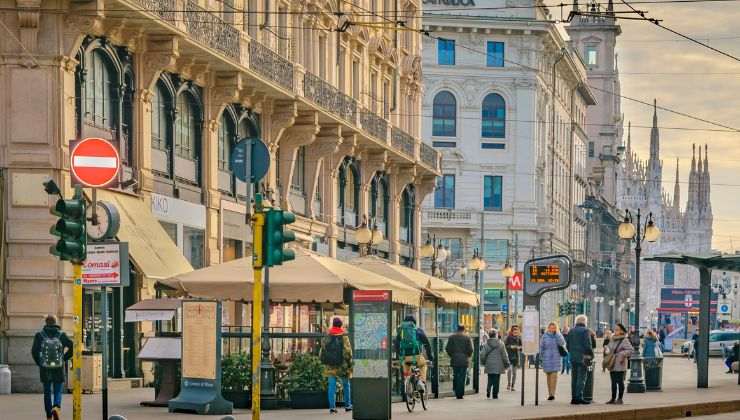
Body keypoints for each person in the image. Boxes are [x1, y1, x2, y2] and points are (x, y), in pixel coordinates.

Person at [31, 315, 73, 420]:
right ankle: (56, 407)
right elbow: (72, 346)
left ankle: (49, 416)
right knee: (58, 390)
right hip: (58, 367)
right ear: (56, 322)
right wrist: (64, 358)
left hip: (45, 368)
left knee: (47, 392)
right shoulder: (62, 335)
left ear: (46, 322)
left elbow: (34, 351)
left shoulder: (39, 335)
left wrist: (40, 363)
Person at [319, 317, 353, 413]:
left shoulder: (327, 335)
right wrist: (349, 362)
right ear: (341, 325)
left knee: (332, 385)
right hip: (342, 365)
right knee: (346, 384)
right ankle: (348, 405)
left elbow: (322, 350)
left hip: (330, 365)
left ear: (333, 324)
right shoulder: (344, 335)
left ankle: (332, 407)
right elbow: (348, 351)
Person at [394, 315, 433, 387]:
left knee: (407, 372)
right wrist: (430, 357)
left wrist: (399, 354)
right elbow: (427, 344)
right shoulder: (418, 330)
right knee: (423, 365)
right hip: (417, 356)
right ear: (414, 322)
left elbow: (396, 344)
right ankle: (422, 382)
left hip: (405, 357)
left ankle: (407, 385)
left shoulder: (401, 331)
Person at [565, 314, 594, 405]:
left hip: (573, 358)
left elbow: (567, 345)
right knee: (581, 378)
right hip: (583, 358)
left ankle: (574, 397)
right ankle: (579, 397)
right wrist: (591, 355)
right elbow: (588, 345)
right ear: (585, 322)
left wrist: (572, 353)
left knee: (574, 378)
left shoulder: (571, 331)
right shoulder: (586, 331)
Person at [604, 323, 634, 405]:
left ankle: (620, 399)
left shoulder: (624, 340)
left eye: (617, 329)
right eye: (615, 329)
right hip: (612, 363)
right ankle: (613, 398)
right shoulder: (612, 339)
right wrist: (606, 349)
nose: (615, 331)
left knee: (620, 382)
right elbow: (610, 349)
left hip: (620, 363)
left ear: (621, 331)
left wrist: (621, 354)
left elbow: (631, 350)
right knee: (613, 382)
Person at [539, 322, 566, 401]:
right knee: (549, 376)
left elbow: (562, 343)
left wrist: (557, 334)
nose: (552, 329)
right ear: (548, 328)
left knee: (554, 376)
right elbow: (541, 347)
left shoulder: (558, 335)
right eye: (551, 327)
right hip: (546, 358)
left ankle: (552, 394)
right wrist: (540, 356)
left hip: (556, 358)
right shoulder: (544, 336)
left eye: (554, 327)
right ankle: (549, 393)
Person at [445, 324, 473, 399]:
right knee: (462, 376)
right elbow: (470, 349)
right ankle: (460, 393)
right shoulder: (467, 338)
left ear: (457, 329)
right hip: (464, 359)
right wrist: (467, 355)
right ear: (463, 329)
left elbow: (447, 348)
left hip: (455, 359)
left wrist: (452, 355)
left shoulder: (452, 337)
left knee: (456, 375)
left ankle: (456, 390)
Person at [480, 328, 510, 399]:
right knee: (497, 380)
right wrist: (507, 363)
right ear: (496, 335)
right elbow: (504, 355)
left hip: (489, 364)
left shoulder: (486, 344)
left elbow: (482, 355)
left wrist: (484, 362)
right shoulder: (501, 344)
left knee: (490, 378)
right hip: (498, 365)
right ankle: (495, 394)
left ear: (489, 335)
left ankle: (488, 390)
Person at [504, 325, 522, 391]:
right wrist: (511, 347)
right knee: (509, 370)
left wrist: (519, 348)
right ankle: (508, 384)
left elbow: (521, 347)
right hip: (509, 356)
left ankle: (513, 385)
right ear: (512, 331)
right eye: (514, 331)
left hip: (516, 357)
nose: (516, 333)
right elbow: (505, 346)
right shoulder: (508, 337)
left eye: (517, 331)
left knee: (514, 372)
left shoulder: (519, 338)